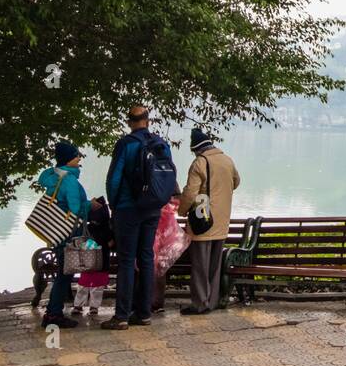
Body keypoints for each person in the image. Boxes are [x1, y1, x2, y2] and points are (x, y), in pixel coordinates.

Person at [102, 105, 177, 330]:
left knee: (126, 260)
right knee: (146, 258)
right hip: (152, 208)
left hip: (128, 208)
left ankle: (122, 315)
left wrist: (114, 206)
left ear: (129, 122)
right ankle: (144, 313)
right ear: (147, 120)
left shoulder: (126, 144)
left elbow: (114, 178)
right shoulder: (160, 143)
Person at [177, 127, 242, 315]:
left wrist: (182, 210)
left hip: (203, 222)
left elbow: (190, 193)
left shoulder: (199, 163)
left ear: (196, 148)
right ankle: (212, 302)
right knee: (214, 265)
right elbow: (236, 182)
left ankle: (199, 304)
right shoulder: (227, 160)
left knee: (199, 266)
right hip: (221, 223)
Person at [37, 140, 92, 329]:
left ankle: (53, 311)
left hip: (57, 231)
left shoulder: (53, 176)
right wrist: (91, 205)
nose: (78, 158)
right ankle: (53, 314)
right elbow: (76, 209)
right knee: (64, 274)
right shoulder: (69, 180)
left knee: (63, 272)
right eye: (76, 155)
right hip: (69, 232)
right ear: (68, 159)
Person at [72, 197, 112, 317]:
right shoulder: (108, 229)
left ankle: (78, 305)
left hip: (88, 263)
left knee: (83, 285)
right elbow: (110, 243)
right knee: (97, 286)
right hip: (100, 263)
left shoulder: (87, 228)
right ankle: (93, 307)